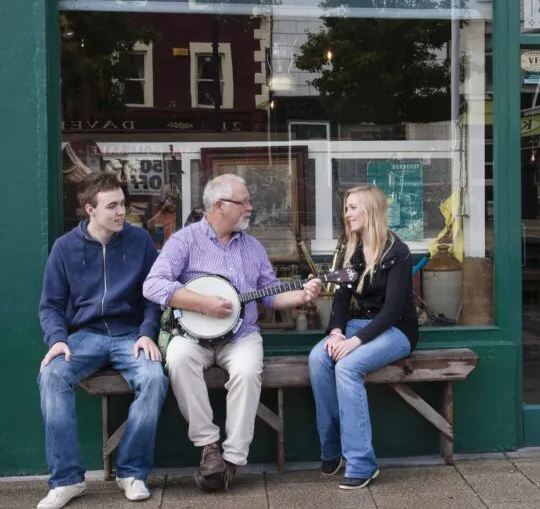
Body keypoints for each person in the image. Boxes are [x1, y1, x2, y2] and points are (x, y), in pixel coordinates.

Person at [143, 173, 322, 492]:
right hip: (192, 336)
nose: (251, 207)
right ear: (220, 205)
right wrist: (201, 303)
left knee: (247, 370)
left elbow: (269, 293)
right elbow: (153, 285)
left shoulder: (252, 248)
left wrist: (302, 295)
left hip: (240, 336)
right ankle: (209, 447)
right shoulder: (185, 241)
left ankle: (232, 461)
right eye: (244, 202)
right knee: (179, 358)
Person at [37, 171, 169, 509]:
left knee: (154, 378)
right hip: (86, 336)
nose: (122, 211)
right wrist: (57, 339)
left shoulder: (139, 241)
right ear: (89, 209)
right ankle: (67, 480)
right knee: (51, 375)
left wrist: (147, 332)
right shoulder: (65, 248)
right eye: (112, 206)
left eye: (123, 203)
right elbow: (51, 304)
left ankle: (132, 472)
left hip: (130, 335)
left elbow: (154, 296)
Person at [308, 185, 419, 490]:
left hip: (396, 330)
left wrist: (353, 343)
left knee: (347, 366)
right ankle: (332, 450)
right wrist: (336, 331)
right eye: (346, 208)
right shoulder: (353, 248)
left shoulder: (398, 251)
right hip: (361, 325)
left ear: (370, 210)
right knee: (318, 357)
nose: (347, 214)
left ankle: (361, 463)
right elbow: (342, 299)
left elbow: (394, 311)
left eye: (353, 207)